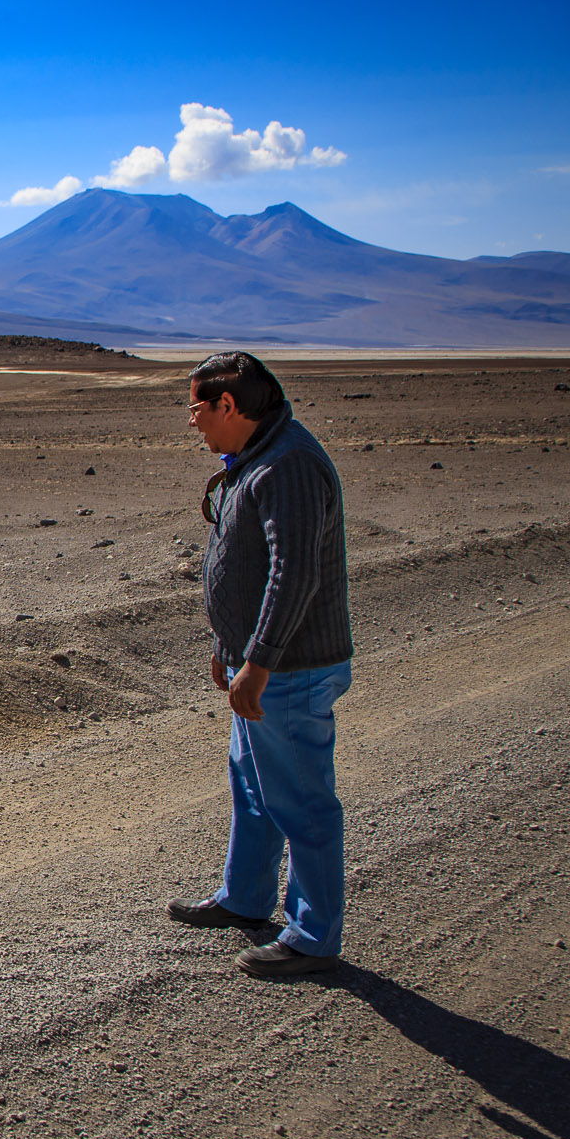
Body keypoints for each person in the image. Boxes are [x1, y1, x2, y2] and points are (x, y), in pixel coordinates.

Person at [167, 352, 354, 977]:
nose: (191, 421)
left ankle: (311, 937)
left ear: (228, 405)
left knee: (302, 802)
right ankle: (246, 898)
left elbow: (291, 574)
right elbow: (246, 569)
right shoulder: (257, 459)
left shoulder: (289, 465)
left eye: (196, 407)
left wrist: (260, 662)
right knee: (253, 789)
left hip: (292, 669)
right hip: (265, 664)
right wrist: (230, 647)